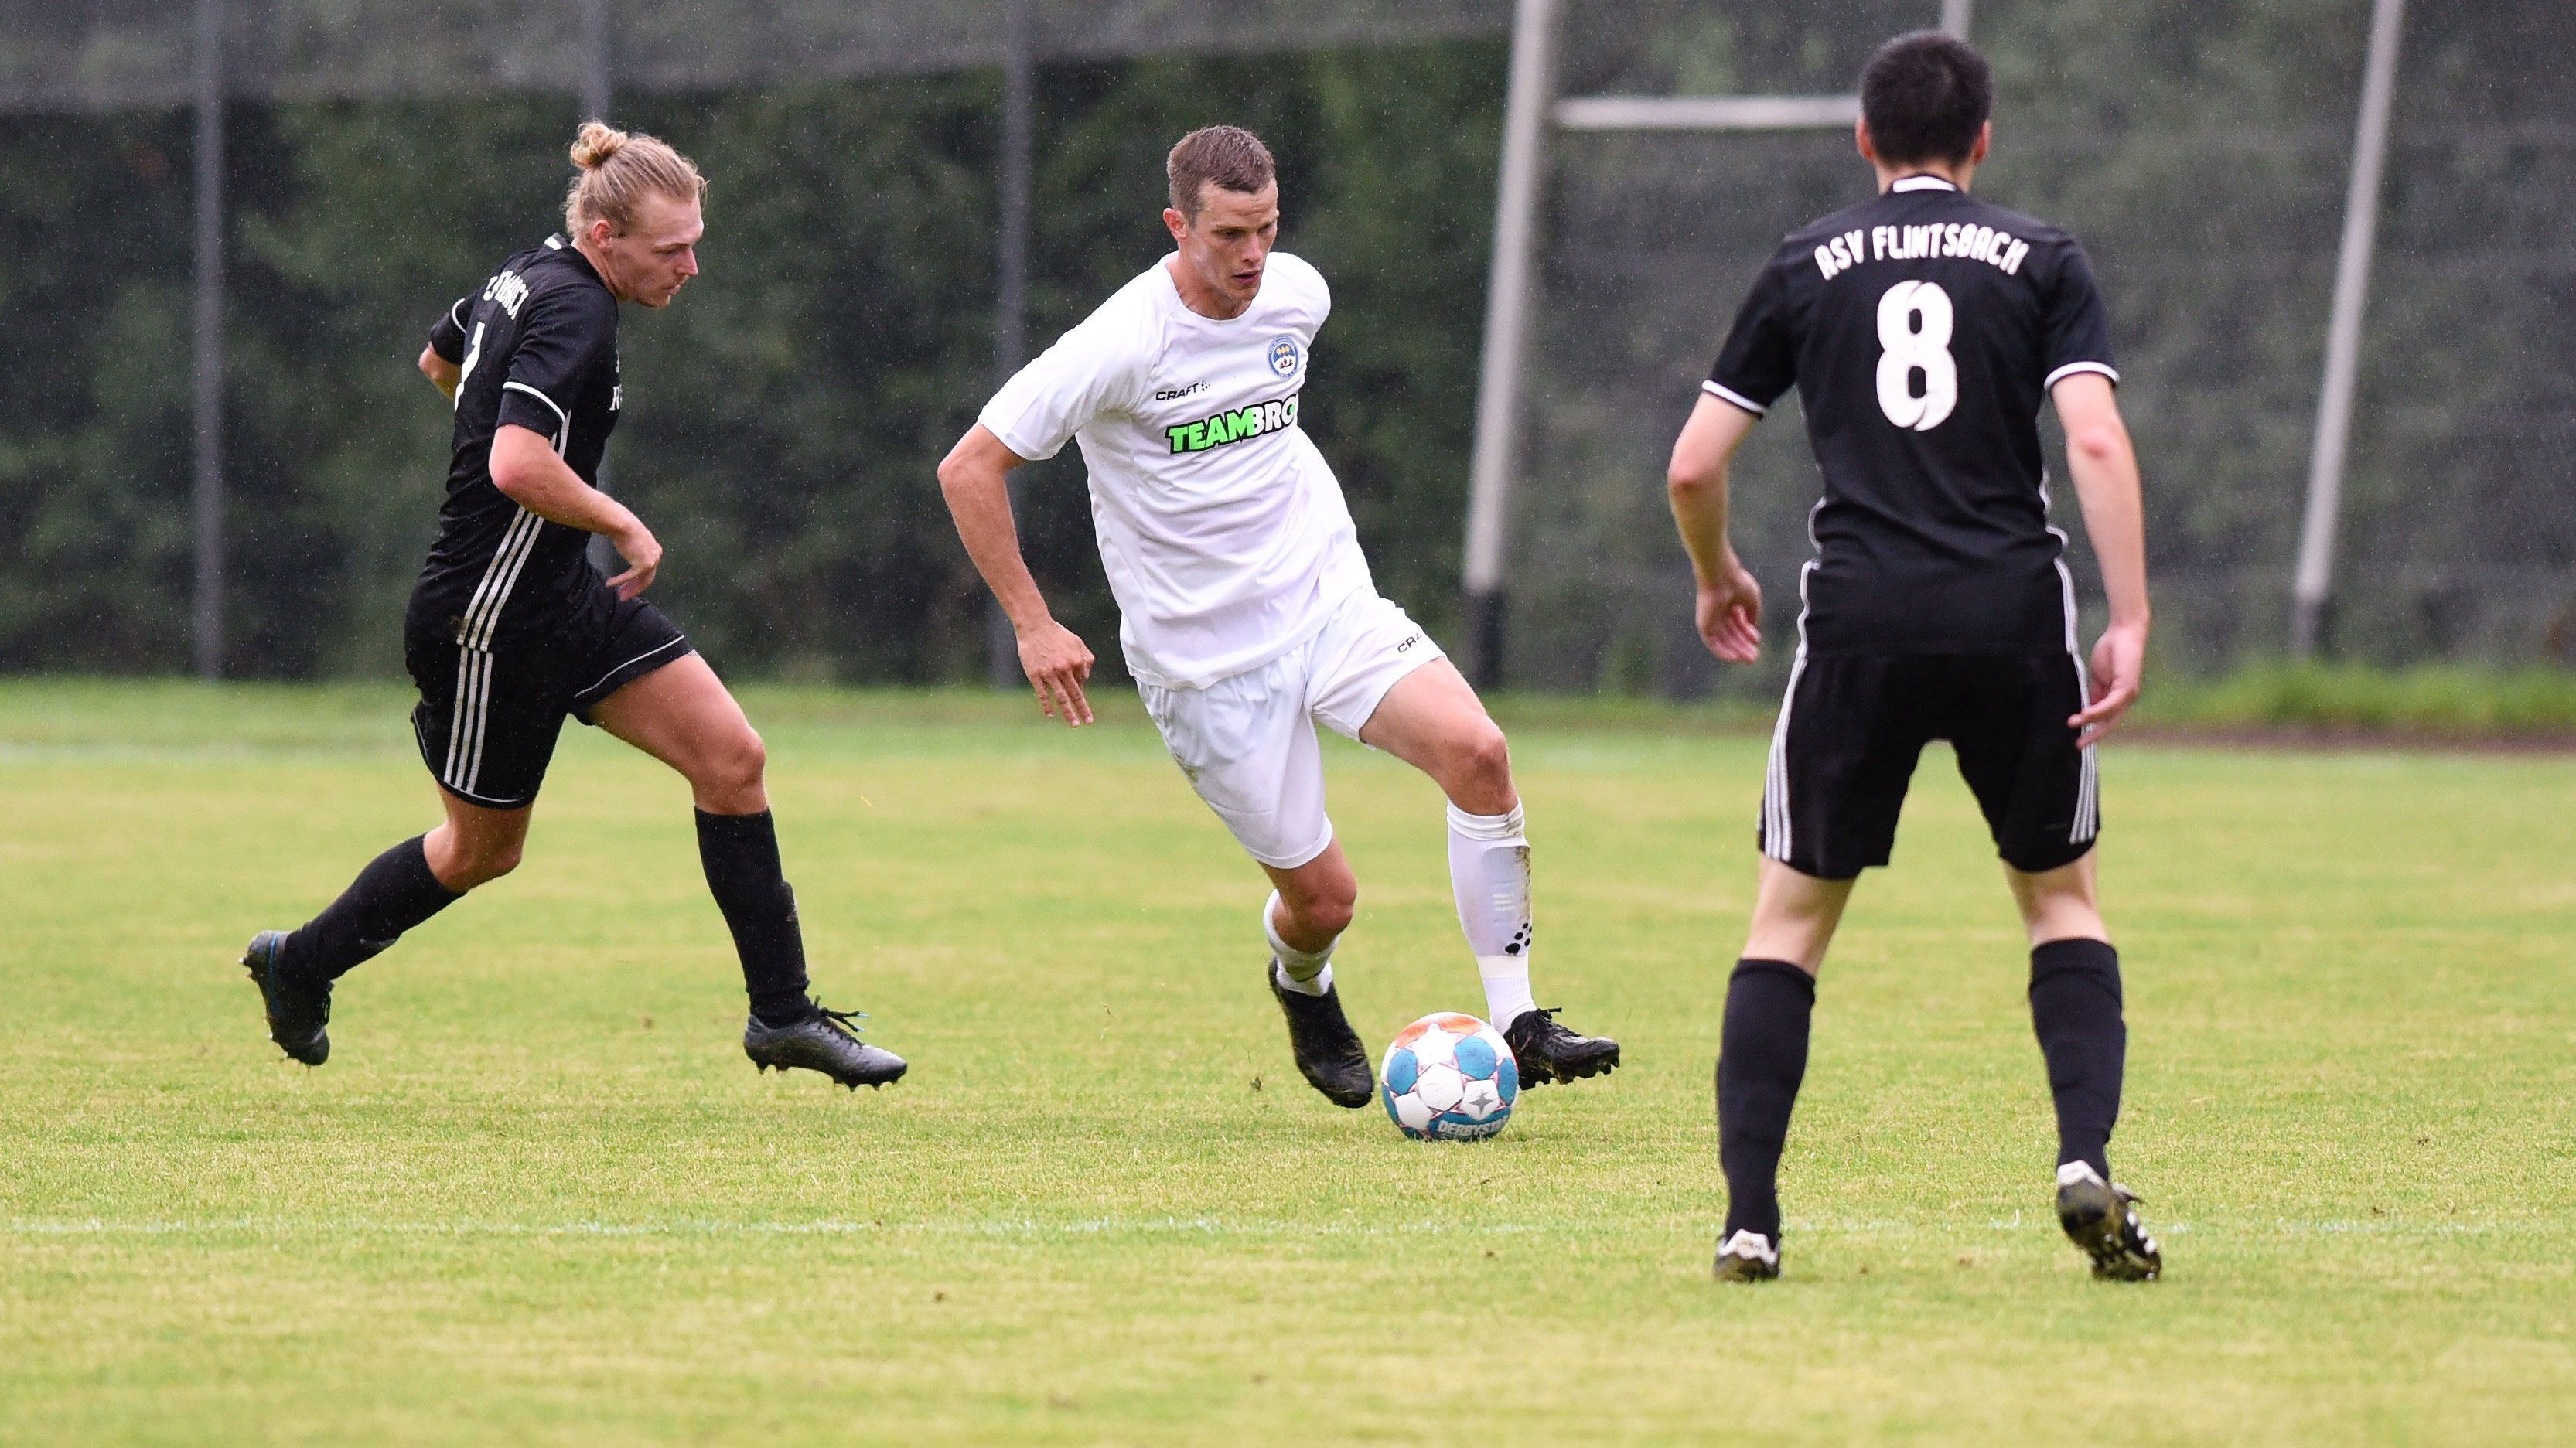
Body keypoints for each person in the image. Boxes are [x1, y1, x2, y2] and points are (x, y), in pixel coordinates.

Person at [937, 125, 1618, 1108]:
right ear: (1177, 225)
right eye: (1227, 235)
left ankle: (1519, 1019)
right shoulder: (1117, 344)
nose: (1252, 256)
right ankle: (1303, 983)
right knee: (1325, 901)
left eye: (1266, 228)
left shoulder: (1297, 295)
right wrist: (1034, 625)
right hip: (1206, 665)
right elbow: (969, 468)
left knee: (1479, 754)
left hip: (1327, 601)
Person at [240, 122, 904, 1090]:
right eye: (672, 248)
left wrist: (519, 477)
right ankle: (298, 962)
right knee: (480, 852)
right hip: (487, 621)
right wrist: (618, 521)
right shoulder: (574, 312)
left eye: (695, 240)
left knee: (731, 758)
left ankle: (782, 1015)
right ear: (604, 237)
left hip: (558, 596)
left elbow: (442, 361)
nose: (691, 264)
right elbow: (514, 462)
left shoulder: (527, 274)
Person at [1666, 32, 2160, 1281]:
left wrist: (1715, 569)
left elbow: (1692, 462)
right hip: (2008, 612)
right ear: (1982, 140)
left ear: (1864, 140)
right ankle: (2079, 1154)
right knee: (2058, 897)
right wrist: (2131, 616)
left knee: (1787, 924)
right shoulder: (2042, 257)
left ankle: (1749, 1218)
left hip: (1862, 618)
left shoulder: (1804, 263)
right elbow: (2093, 443)